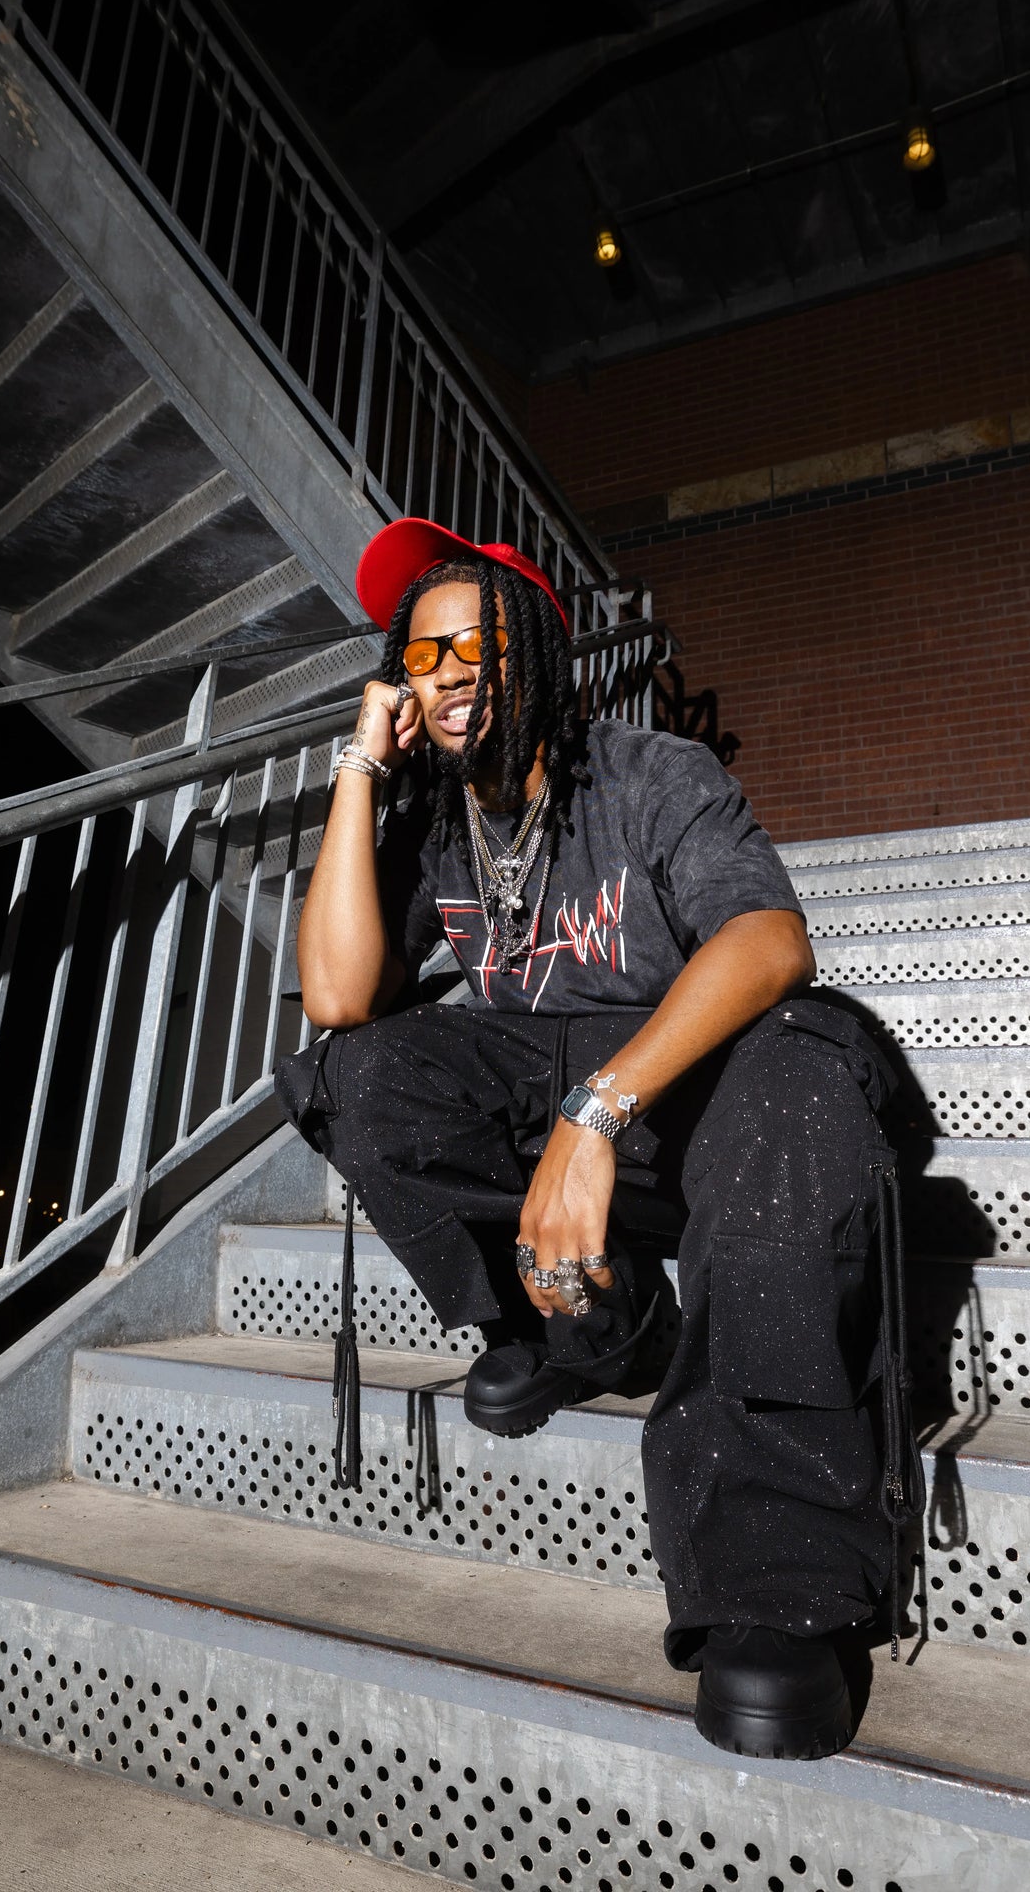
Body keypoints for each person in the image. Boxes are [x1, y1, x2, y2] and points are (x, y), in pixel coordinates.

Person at [276, 517, 919, 1762]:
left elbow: (769, 943)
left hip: (699, 1097)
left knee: (800, 1070)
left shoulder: (646, 772)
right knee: (354, 1077)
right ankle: (595, 1324)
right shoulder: (433, 820)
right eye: (419, 654)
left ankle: (773, 1582)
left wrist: (595, 1112)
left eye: (475, 642)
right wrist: (361, 766)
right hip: (578, 1120)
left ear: (539, 651)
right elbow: (339, 994)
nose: (448, 670)